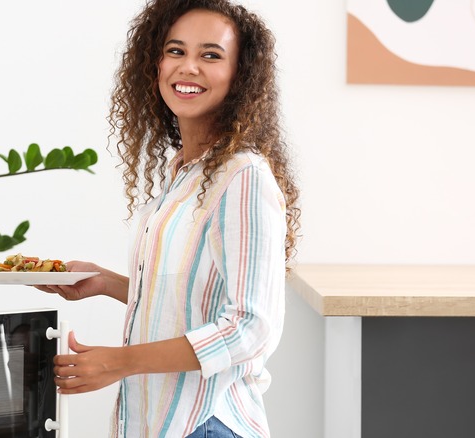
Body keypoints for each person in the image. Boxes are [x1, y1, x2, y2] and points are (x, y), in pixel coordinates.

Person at [37, 0, 300, 436]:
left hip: (205, 422)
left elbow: (250, 327)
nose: (188, 67)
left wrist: (118, 362)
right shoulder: (184, 172)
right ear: (154, 64)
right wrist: (105, 281)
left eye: (210, 55)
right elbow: (192, 300)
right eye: (176, 51)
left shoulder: (243, 176)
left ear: (240, 76)